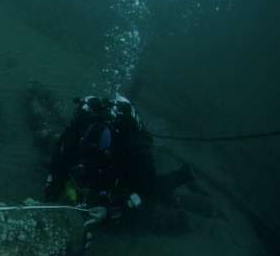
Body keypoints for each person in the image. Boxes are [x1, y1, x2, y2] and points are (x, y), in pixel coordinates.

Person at [44, 95, 192, 224]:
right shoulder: (82, 124)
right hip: (107, 161)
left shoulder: (136, 151)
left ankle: (183, 174)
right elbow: (62, 152)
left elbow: (144, 191)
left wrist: (109, 211)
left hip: (127, 170)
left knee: (150, 190)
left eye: (98, 155)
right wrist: (54, 182)